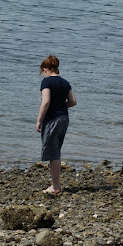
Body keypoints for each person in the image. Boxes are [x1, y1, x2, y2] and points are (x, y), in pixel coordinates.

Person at [36, 55, 77, 194]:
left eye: (42, 72)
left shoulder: (46, 82)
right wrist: (61, 106)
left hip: (53, 119)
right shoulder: (65, 83)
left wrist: (39, 120)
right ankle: (55, 185)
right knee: (56, 149)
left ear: (45, 69)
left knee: (53, 153)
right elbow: (73, 101)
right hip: (64, 118)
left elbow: (45, 102)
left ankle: (55, 186)